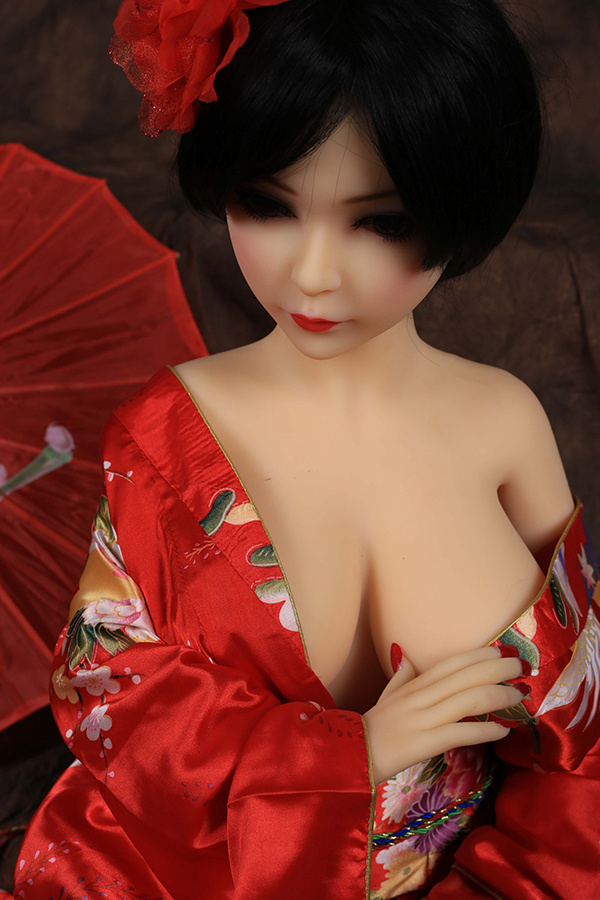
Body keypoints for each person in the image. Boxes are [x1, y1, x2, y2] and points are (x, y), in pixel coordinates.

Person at [6, 1, 600, 898]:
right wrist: (353, 752)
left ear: (461, 204)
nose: (313, 274)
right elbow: (111, 688)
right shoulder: (168, 434)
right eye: (268, 205)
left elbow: (583, 738)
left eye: (381, 222)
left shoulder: (504, 422)